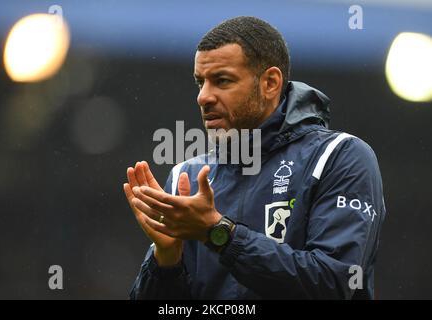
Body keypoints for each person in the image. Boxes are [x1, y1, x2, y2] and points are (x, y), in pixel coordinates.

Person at [123, 16, 386, 299]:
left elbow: (336, 284)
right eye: (200, 83)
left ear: (270, 83)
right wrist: (166, 261)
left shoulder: (339, 156)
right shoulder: (186, 177)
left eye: (222, 81)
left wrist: (218, 233)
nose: (203, 97)